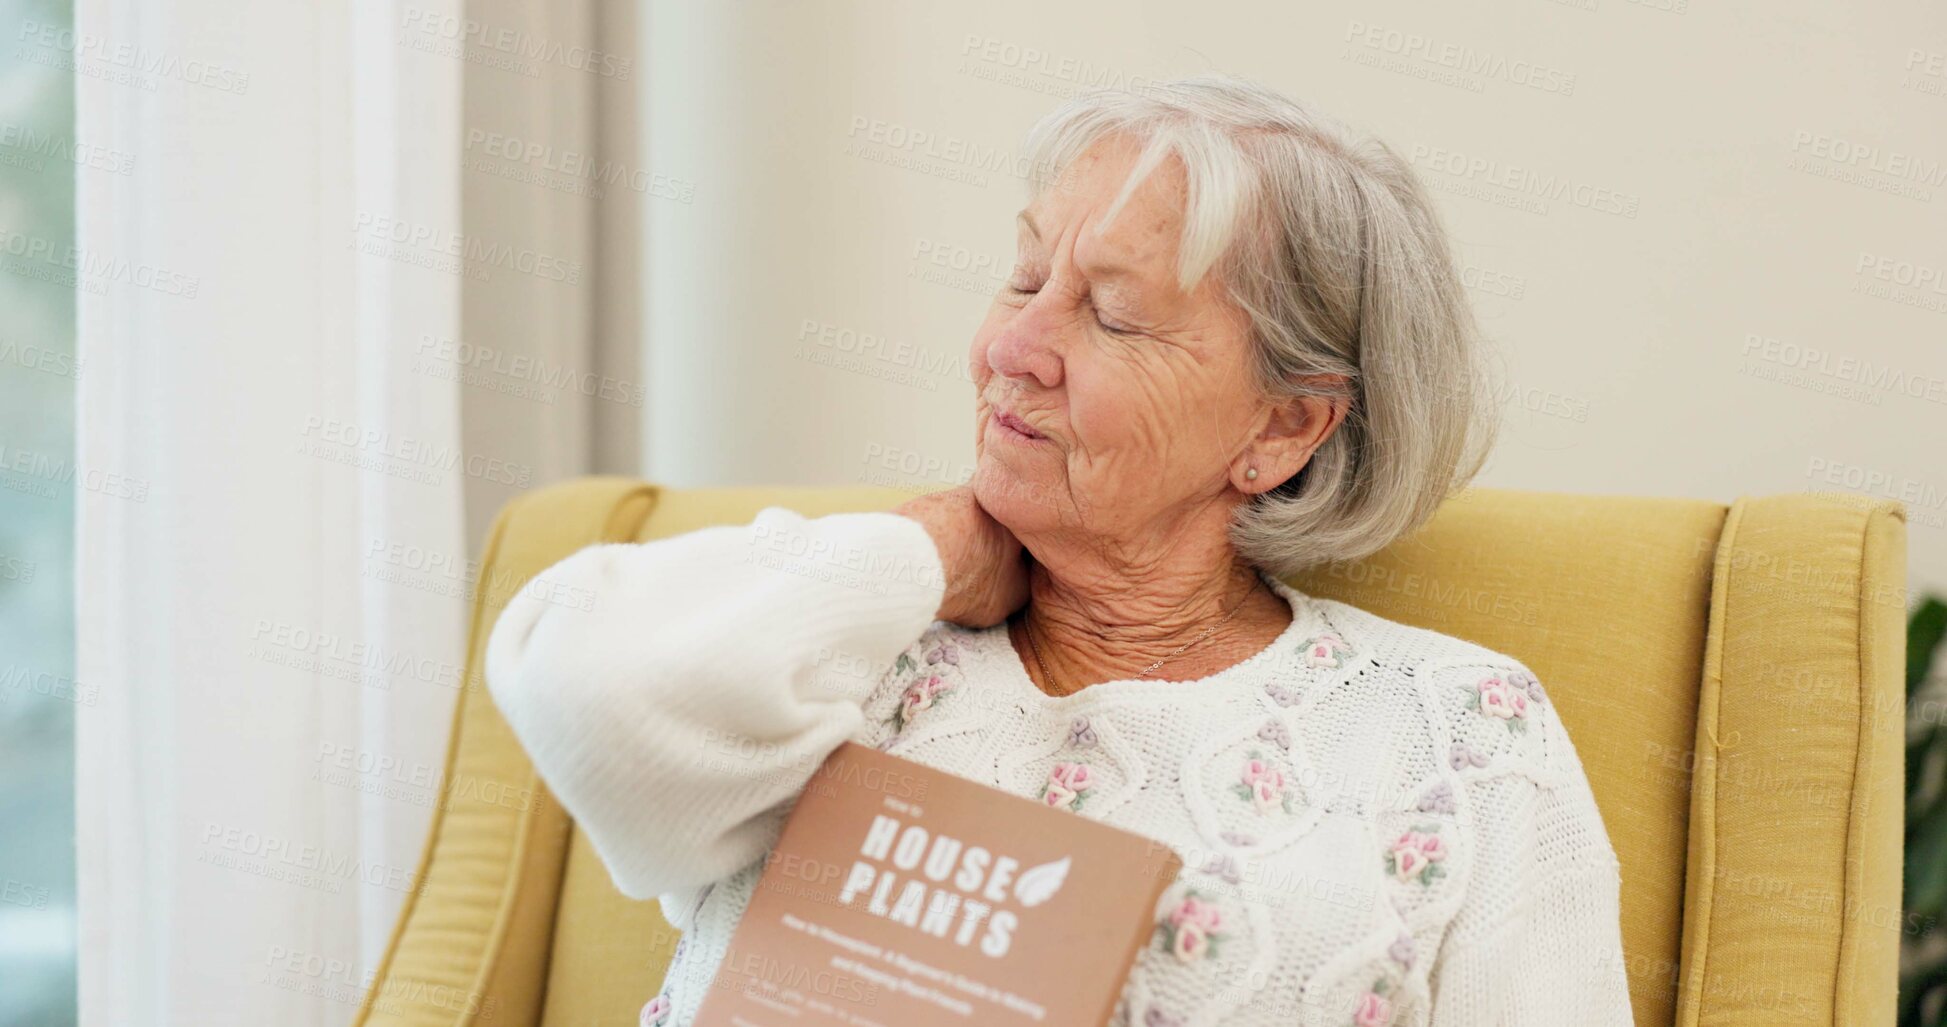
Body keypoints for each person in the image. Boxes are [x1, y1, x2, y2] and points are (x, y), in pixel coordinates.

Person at [486, 73, 1634, 1026]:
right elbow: (576, 690)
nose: (1015, 346)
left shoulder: (1456, 732)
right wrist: (931, 547)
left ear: (1283, 427)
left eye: (1116, 316)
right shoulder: (849, 643)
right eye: (1027, 276)